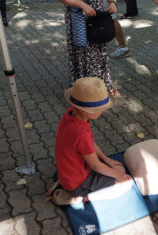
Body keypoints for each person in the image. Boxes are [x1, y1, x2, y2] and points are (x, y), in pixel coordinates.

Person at [54, 77, 131, 205]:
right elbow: (95, 165)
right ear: (85, 111)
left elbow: (90, 142)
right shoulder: (80, 132)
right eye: (100, 109)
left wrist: (107, 160)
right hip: (77, 183)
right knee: (125, 183)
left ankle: (70, 188)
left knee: (117, 169)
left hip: (68, 175)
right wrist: (119, 176)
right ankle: (80, 197)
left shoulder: (72, 114)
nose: (103, 111)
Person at [58, 0, 120, 96]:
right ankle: (84, 89)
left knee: (100, 52)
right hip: (79, 17)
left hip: (98, 17)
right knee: (82, 53)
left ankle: (103, 87)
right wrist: (82, 5)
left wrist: (112, 2)